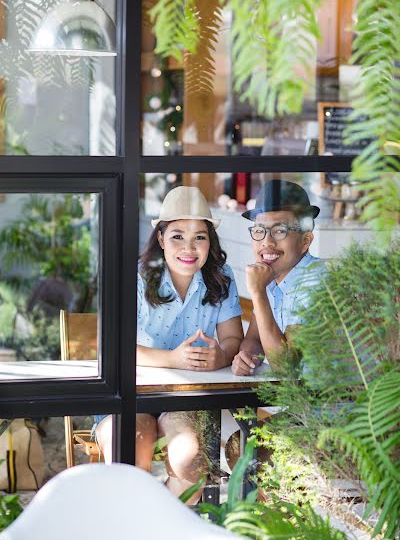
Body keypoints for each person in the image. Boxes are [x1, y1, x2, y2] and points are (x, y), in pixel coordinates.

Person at [96, 186, 243, 503]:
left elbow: (233, 339)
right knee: (128, 466)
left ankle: (158, 524)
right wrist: (173, 359)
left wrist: (220, 356)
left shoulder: (221, 276)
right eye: (177, 236)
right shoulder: (135, 277)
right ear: (160, 238)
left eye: (199, 237)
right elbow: (114, 348)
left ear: (210, 242)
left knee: (191, 469)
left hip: (186, 397)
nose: (189, 247)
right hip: (129, 392)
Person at [231, 179, 323, 375]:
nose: (267, 242)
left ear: (305, 241)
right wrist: (247, 356)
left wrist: (257, 293)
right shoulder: (272, 277)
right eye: (259, 231)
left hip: (330, 403)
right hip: (293, 402)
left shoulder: (316, 282)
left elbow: (287, 368)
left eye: (280, 231)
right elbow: (254, 339)